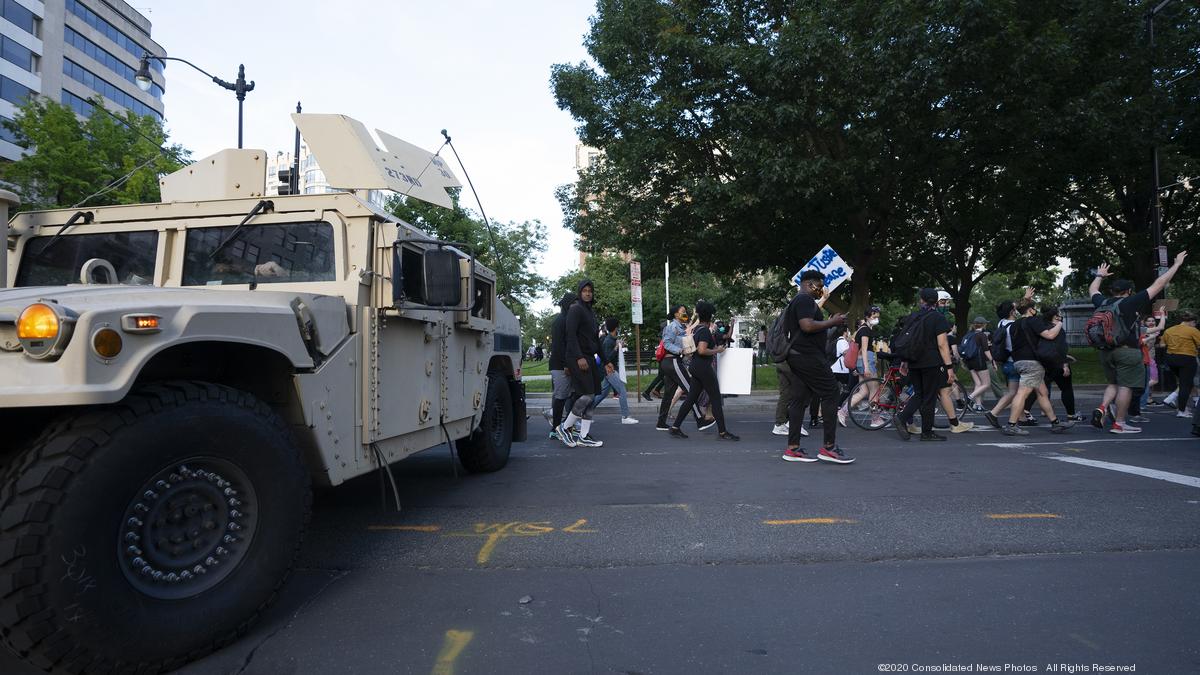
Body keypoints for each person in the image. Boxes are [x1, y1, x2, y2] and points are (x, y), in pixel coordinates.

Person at [1088, 253, 1188, 433]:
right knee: (1126, 386)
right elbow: (1159, 284)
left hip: (1106, 350)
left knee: (1113, 383)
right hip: (1127, 351)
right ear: (1128, 291)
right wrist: (1177, 265)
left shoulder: (1102, 302)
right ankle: (1119, 423)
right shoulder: (1131, 302)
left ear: (1112, 291)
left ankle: (1102, 407)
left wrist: (1099, 275)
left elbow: (1093, 290)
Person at [780, 271, 854, 464]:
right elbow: (807, 326)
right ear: (810, 284)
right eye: (820, 285)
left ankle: (793, 448)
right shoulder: (804, 300)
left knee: (799, 399)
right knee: (831, 392)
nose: (822, 289)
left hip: (798, 356)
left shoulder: (798, 301)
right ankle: (829, 447)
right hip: (808, 357)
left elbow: (811, 330)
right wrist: (833, 321)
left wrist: (832, 327)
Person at [1000, 299, 1075, 436]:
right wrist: (1059, 324)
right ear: (1030, 310)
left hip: (1018, 361)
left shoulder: (1014, 324)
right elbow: (1050, 335)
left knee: (1042, 392)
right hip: (1032, 362)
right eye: (1034, 308)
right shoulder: (1033, 321)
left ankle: (1055, 422)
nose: (1035, 311)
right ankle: (1011, 425)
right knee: (1022, 393)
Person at [668, 301, 739, 440]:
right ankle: (723, 432)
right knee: (716, 398)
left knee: (691, 398)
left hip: (695, 366)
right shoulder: (705, 331)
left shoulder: (697, 329)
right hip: (703, 368)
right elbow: (702, 350)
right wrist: (717, 350)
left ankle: (675, 427)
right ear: (710, 316)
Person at [893, 289, 955, 441]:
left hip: (914, 361)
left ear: (922, 300)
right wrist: (949, 367)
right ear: (936, 301)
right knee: (929, 397)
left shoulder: (914, 316)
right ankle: (926, 432)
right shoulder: (938, 318)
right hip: (931, 362)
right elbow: (942, 344)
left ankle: (902, 417)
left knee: (919, 394)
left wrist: (905, 361)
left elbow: (909, 340)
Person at [556, 279, 604, 448]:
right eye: (584, 290)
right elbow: (570, 335)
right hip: (578, 357)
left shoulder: (590, 312)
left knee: (592, 398)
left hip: (590, 358)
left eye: (590, 290)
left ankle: (583, 436)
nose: (588, 293)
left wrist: (606, 361)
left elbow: (595, 341)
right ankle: (565, 427)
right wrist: (578, 357)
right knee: (587, 395)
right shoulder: (576, 309)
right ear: (579, 292)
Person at [656, 305, 706, 431]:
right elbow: (666, 343)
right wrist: (680, 350)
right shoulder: (672, 327)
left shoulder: (681, 327)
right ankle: (700, 420)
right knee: (690, 389)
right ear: (676, 315)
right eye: (683, 312)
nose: (685, 314)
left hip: (672, 362)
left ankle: (661, 423)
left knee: (668, 394)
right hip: (672, 361)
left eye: (685, 312)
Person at [592, 317, 639, 424]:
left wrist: (619, 345)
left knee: (602, 394)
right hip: (610, 370)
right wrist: (616, 348)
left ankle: (585, 413)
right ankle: (625, 417)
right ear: (616, 327)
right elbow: (606, 358)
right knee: (622, 390)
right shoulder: (609, 341)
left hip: (610, 370)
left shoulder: (612, 339)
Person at [547, 291, 577, 439]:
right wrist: (566, 365)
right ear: (567, 304)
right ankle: (555, 429)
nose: (575, 306)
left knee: (568, 395)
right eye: (573, 303)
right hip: (560, 366)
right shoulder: (561, 320)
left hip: (565, 364)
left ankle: (566, 425)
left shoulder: (567, 319)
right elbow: (559, 346)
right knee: (561, 397)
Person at [844, 306, 881, 419]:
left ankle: (842, 411)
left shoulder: (862, 329)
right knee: (874, 390)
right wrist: (866, 368)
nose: (876, 319)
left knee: (863, 391)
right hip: (866, 361)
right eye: (874, 316)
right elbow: (864, 350)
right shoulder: (865, 330)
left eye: (877, 317)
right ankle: (875, 419)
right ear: (867, 316)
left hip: (861, 361)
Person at [1162, 311, 1200, 418]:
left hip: (1171, 358)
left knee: (1186, 383)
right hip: (1187, 358)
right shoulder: (1192, 330)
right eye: (1194, 323)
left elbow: (1162, 344)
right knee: (1185, 385)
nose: (1195, 325)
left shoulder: (1169, 330)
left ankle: (1181, 405)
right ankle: (1182, 411)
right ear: (1192, 321)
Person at [961, 317, 993, 409]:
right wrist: (992, 361)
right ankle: (969, 398)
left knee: (978, 383)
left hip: (969, 361)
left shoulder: (969, 334)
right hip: (978, 361)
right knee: (986, 384)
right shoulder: (981, 335)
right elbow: (986, 350)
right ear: (983, 325)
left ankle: (978, 405)